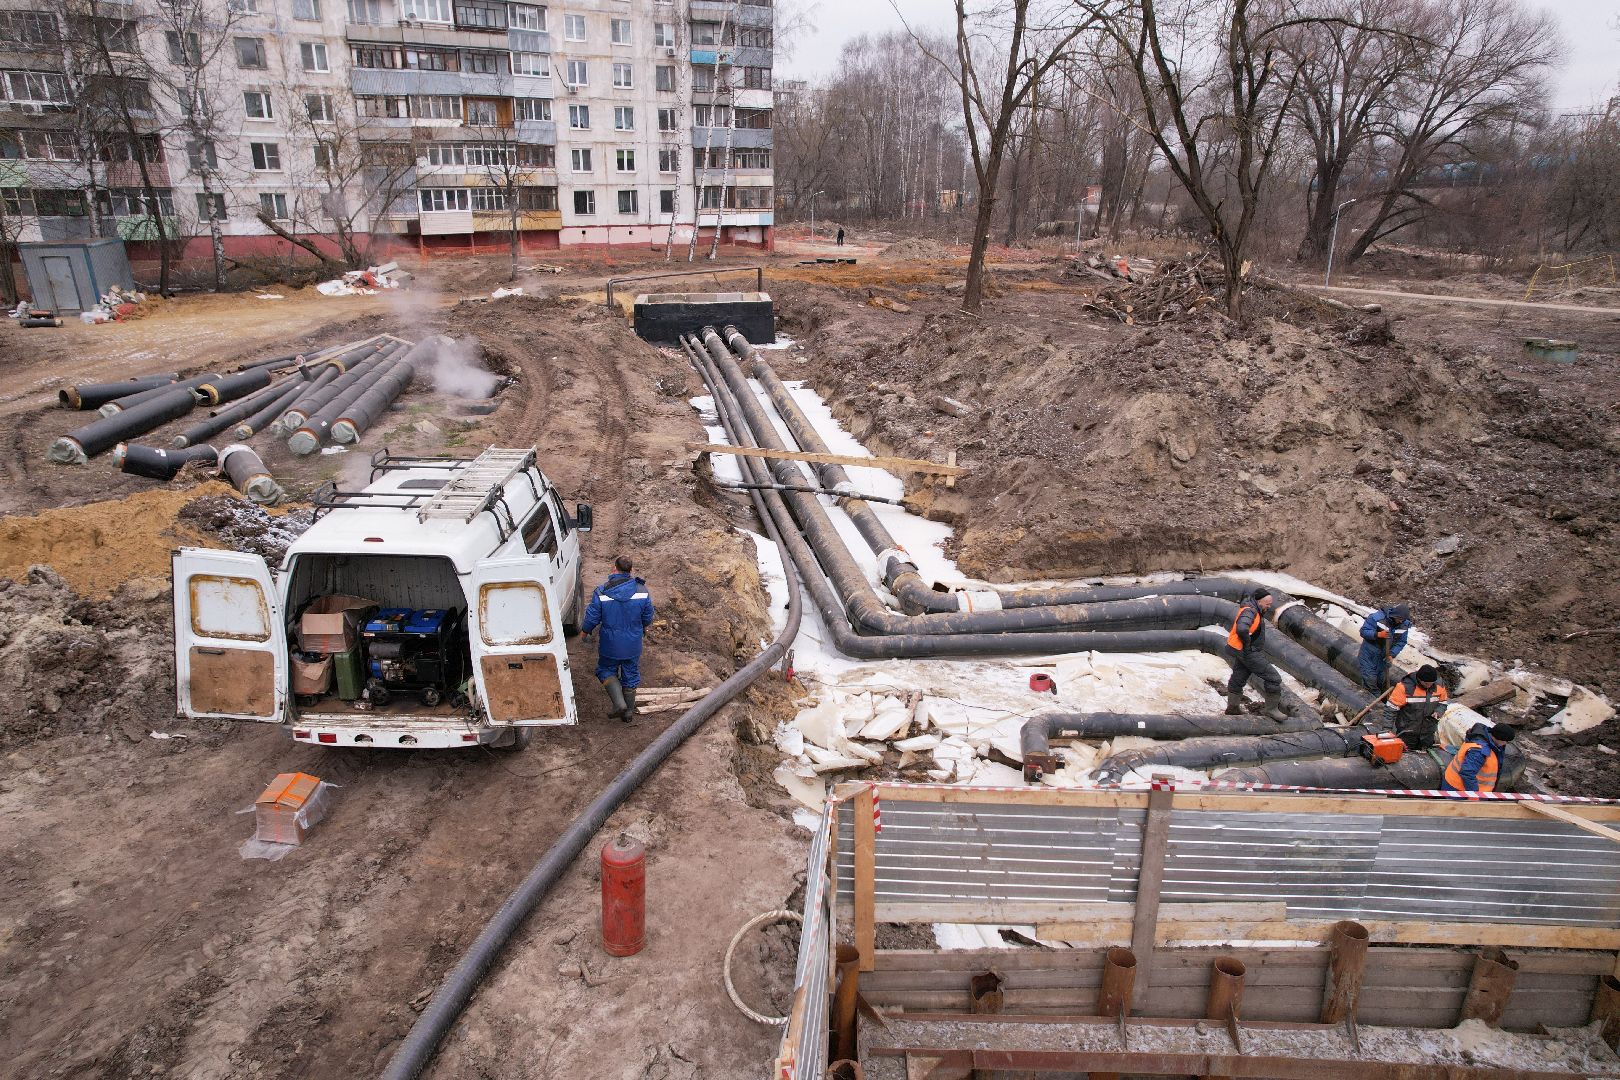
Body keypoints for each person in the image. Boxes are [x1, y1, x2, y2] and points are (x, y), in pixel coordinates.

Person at [581, 555, 655, 721]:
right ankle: (628, 713)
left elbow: (592, 616)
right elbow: (648, 616)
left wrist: (585, 632)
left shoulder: (601, 591)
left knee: (605, 670)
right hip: (633, 643)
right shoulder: (642, 591)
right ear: (631, 571)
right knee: (631, 673)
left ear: (615, 569)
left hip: (610, 644)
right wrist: (640, 627)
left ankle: (619, 703)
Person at [1224, 588, 1288, 721]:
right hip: (1246, 650)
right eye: (1267, 604)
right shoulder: (1250, 611)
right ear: (1258, 601)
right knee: (1273, 677)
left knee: (1239, 676)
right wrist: (1247, 644)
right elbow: (1242, 628)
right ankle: (1271, 709)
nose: (1269, 607)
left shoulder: (1253, 608)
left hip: (1238, 649)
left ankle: (1233, 708)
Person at [1385, 664, 1449, 750]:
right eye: (1426, 683)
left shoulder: (1439, 684)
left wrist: (1439, 711)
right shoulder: (1404, 687)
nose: (1429, 685)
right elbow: (1391, 710)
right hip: (1407, 733)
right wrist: (1386, 730)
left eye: (1431, 683)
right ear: (1419, 679)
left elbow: (1443, 702)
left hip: (1428, 732)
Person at [1441, 722, 1518, 793]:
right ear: (1500, 738)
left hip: (1459, 785)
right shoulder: (1479, 751)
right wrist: (1475, 795)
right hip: (1460, 789)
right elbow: (1467, 773)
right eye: (1506, 741)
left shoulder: (1481, 735)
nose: (1505, 744)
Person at [1358, 602, 1413, 690]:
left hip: (1384, 658)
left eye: (1403, 619)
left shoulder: (1404, 626)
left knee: (1380, 681)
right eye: (1399, 618)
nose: (1401, 621)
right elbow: (1363, 631)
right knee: (1370, 681)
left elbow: (1401, 642)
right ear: (1394, 615)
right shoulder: (1377, 618)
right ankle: (1374, 700)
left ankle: (1379, 698)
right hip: (1369, 655)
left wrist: (1392, 654)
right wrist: (1377, 634)